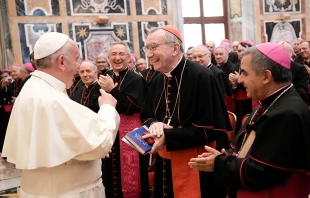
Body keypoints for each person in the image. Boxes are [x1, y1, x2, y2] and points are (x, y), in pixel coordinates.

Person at [2, 32, 120, 198]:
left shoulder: (34, 88)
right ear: (62, 61)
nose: (78, 67)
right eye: (77, 59)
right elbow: (102, 143)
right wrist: (107, 108)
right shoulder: (52, 99)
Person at [189, 43, 310, 197]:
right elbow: (250, 146)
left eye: (245, 73)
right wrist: (227, 156)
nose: (239, 80)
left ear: (266, 76)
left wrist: (218, 164)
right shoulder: (271, 102)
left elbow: (261, 173)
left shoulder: (286, 113)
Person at [140, 25, 231, 198]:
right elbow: (147, 115)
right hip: (165, 160)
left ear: (175, 48)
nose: (149, 54)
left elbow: (211, 129)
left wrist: (169, 136)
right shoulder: (158, 79)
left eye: (154, 47)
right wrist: (155, 125)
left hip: (197, 162)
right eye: (147, 48)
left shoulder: (203, 76)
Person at [98, 41, 149, 198]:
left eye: (121, 54)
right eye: (114, 54)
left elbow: (130, 107)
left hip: (130, 136)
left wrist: (112, 90)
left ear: (128, 58)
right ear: (109, 58)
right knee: (109, 174)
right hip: (109, 130)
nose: (117, 57)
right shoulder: (106, 77)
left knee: (133, 178)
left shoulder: (136, 80)